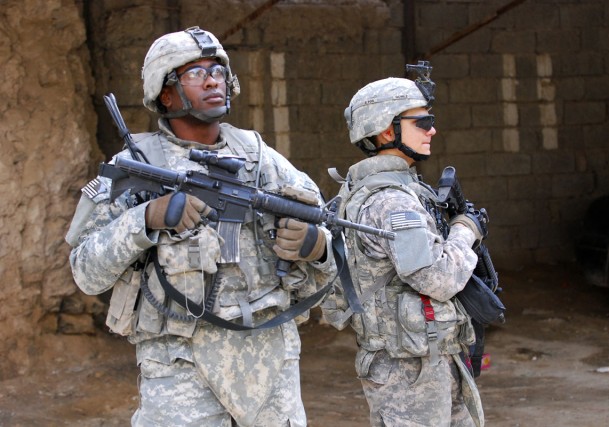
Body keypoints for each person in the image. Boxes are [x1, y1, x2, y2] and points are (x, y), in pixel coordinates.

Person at [65, 26, 336, 427]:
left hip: (269, 359)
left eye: (218, 71)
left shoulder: (259, 157)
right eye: (194, 73)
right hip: (179, 366)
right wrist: (145, 219)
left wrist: (317, 245)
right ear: (165, 91)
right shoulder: (136, 166)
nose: (212, 80)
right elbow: (86, 271)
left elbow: (330, 231)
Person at [321, 66, 487, 426]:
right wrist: (465, 230)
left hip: (426, 358)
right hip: (408, 372)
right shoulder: (390, 201)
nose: (433, 129)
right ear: (385, 128)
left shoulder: (401, 188)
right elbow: (439, 278)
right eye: (422, 121)